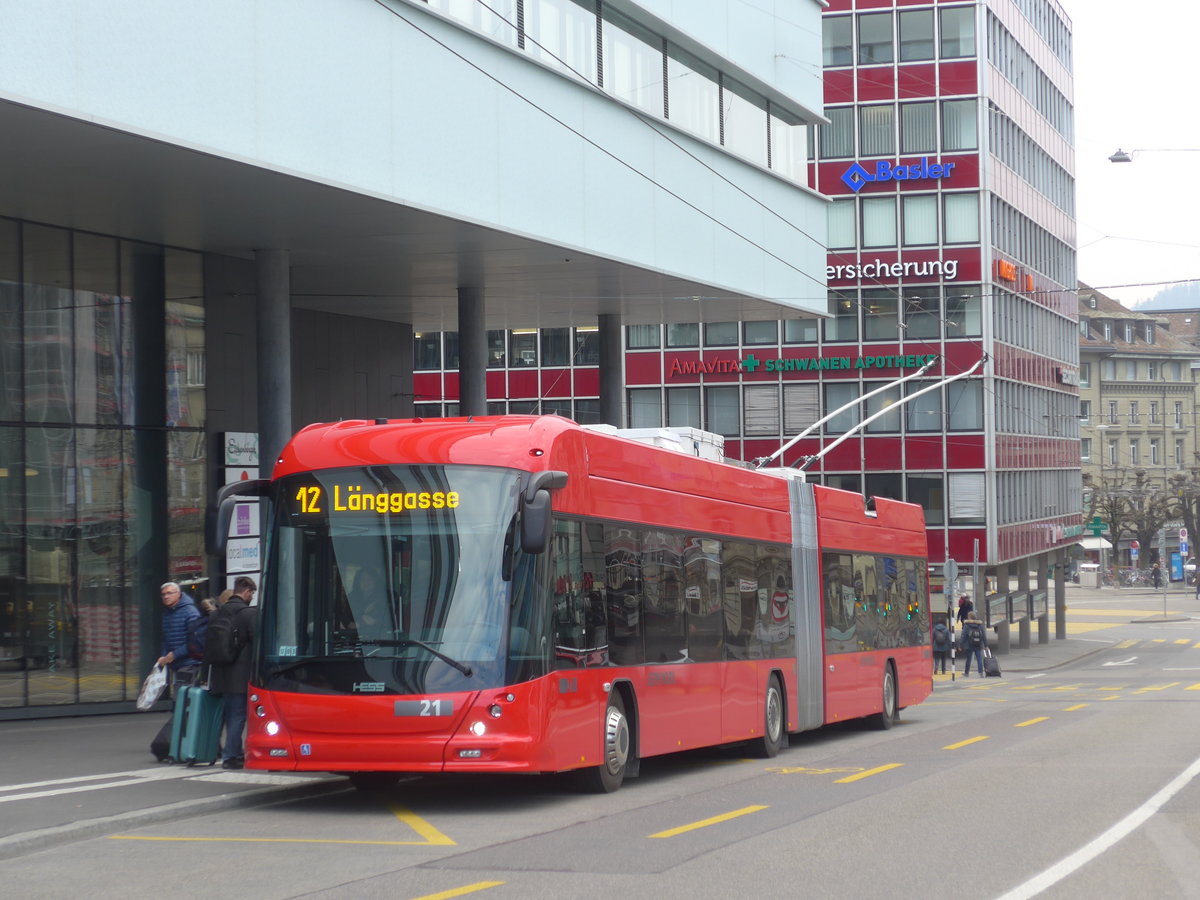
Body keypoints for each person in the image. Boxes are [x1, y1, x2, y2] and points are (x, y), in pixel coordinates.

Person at [207, 576, 257, 770]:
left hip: (220, 674)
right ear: (246, 592)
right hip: (241, 675)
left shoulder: (216, 614)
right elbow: (256, 643)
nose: (252, 596)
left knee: (226, 716)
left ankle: (218, 751)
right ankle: (231, 756)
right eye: (251, 593)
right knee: (237, 717)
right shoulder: (248, 614)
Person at [156, 581, 201, 696]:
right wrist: (164, 655)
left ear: (179, 594)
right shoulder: (168, 613)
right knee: (179, 697)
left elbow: (195, 640)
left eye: (170, 593)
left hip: (189, 663)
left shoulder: (190, 612)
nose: (166, 596)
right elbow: (167, 638)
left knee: (182, 698)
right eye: (163, 594)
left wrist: (174, 654)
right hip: (176, 664)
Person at [960, 611, 986, 677]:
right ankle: (980, 673)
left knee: (968, 659)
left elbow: (963, 635)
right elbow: (983, 635)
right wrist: (986, 645)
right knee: (979, 658)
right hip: (978, 644)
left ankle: (966, 673)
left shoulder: (967, 625)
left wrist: (961, 645)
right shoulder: (980, 625)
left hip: (969, 644)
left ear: (969, 617)